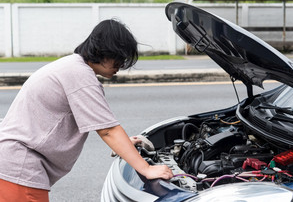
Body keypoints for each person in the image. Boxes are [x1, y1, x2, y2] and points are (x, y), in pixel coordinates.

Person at [0, 19, 173, 202]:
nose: (120, 66)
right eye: (118, 58)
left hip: (11, 161)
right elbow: (107, 130)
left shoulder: (71, 66)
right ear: (100, 51)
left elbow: (98, 123)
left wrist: (126, 146)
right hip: (20, 167)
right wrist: (146, 169)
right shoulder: (81, 76)